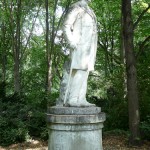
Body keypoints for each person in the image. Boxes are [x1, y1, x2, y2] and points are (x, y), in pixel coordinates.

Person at [57, 0, 97, 107]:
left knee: (85, 71)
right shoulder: (76, 8)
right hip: (79, 45)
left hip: (89, 47)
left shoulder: (89, 10)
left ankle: (81, 98)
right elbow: (66, 25)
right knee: (80, 70)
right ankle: (73, 99)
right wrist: (71, 41)